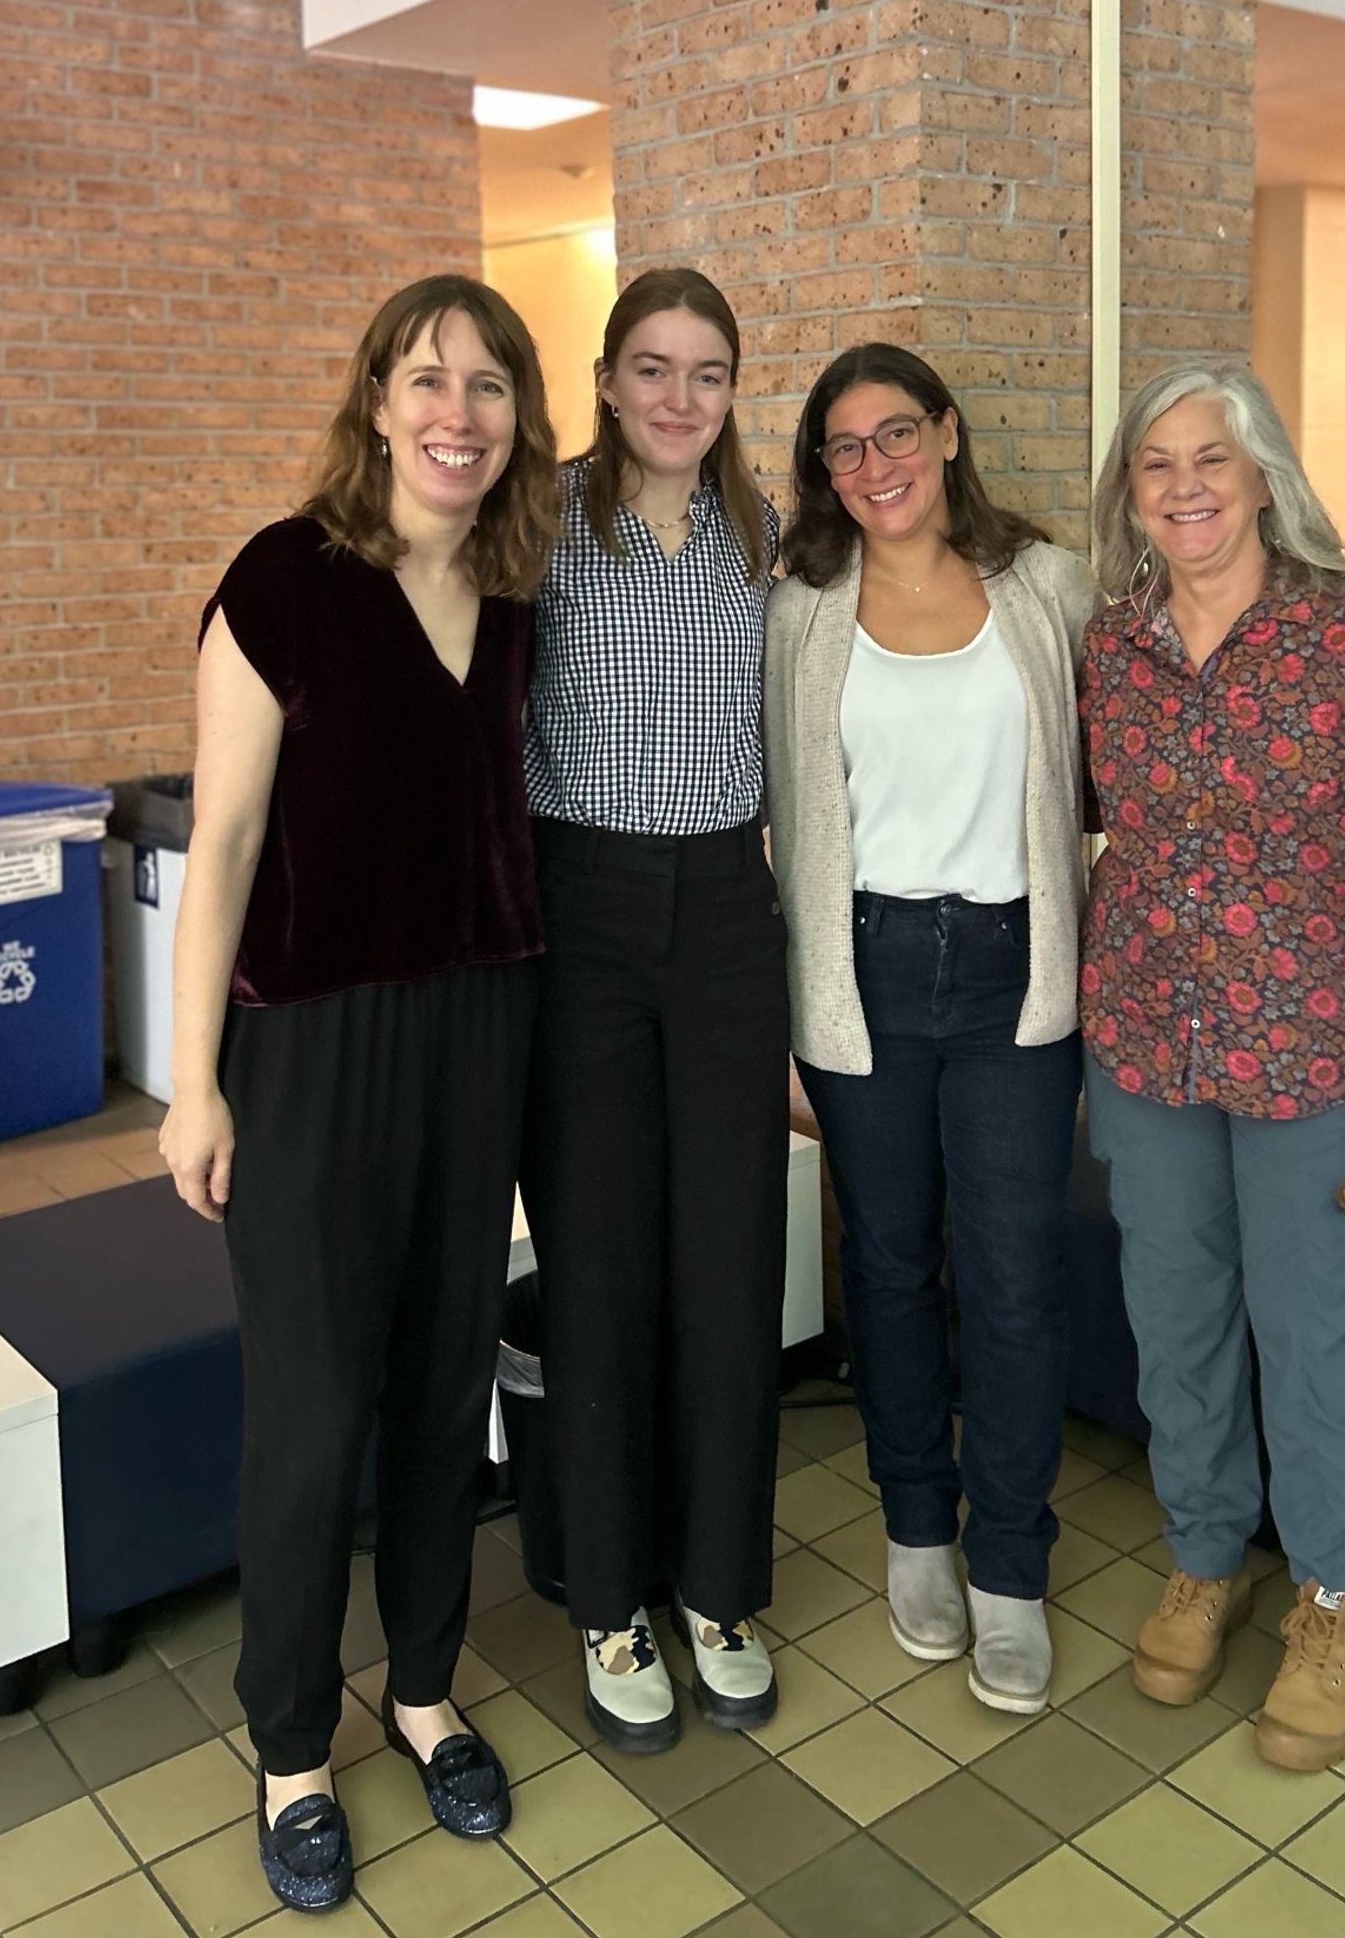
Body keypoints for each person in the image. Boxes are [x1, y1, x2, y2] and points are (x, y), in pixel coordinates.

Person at [158, 274, 558, 1910]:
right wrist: (194, 1088)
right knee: (314, 1414)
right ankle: (290, 1748)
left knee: (441, 1377)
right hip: (311, 1046)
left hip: (480, 1031)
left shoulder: (522, 591)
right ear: (376, 402)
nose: (456, 413)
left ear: (520, 418)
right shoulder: (285, 583)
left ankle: (418, 1691)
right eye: (426, 380)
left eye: (488, 386)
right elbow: (228, 844)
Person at [1079, 361, 1345, 1772]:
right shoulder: (1108, 644)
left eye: (1211, 459)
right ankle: (1202, 1556)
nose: (1183, 487)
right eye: (1154, 465)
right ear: (1129, 492)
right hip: (1143, 1040)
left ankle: (1328, 1596)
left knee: (1309, 1339)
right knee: (1171, 1322)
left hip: (1309, 1054)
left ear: (1261, 476)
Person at [764, 345, 1097, 1716]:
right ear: (821, 473)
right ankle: (917, 1531)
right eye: (842, 448)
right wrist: (782, 1016)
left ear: (947, 434)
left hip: (1016, 973)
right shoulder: (795, 607)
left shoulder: (1047, 588)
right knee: (889, 1268)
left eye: (894, 432)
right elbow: (768, 808)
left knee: (1012, 1278)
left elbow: (1118, 769)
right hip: (868, 973)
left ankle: (1009, 1563)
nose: (874, 466)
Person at [519, 267, 787, 1753]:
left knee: (729, 1256)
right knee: (603, 1264)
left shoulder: (766, 538)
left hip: (727, 912)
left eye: (708, 373)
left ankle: (716, 1589)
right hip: (584, 915)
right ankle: (609, 1598)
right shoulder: (542, 524)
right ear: (608, 378)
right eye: (652, 369)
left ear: (732, 392)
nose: (680, 399)